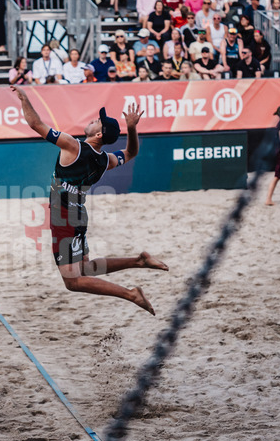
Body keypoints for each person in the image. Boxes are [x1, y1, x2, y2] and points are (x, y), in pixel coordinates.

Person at [11, 86, 167, 314]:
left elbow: (35, 124)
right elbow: (131, 153)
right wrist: (132, 128)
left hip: (64, 216)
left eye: (97, 121)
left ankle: (131, 294)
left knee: (72, 281)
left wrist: (24, 99)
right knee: (85, 267)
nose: (94, 120)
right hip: (79, 215)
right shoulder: (105, 160)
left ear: (99, 134)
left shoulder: (72, 145)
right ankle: (138, 261)